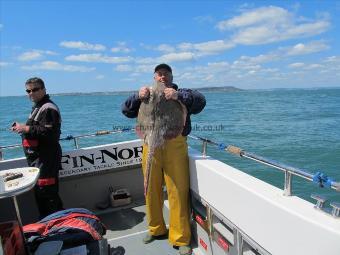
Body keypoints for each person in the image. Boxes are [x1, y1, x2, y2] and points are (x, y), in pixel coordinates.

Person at [121, 64, 206, 255]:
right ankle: (156, 229)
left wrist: (178, 96)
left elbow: (200, 101)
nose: (162, 77)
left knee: (177, 190)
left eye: (166, 74)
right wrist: (137, 96)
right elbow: (126, 111)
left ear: (171, 77)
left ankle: (180, 237)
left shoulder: (181, 92)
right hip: (150, 142)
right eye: (159, 74)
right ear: (154, 77)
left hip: (174, 144)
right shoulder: (146, 94)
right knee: (150, 188)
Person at [11, 77, 63, 219]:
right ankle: (50, 227)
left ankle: (57, 228)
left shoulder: (48, 108)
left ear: (44, 90)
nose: (31, 93)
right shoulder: (38, 107)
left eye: (35, 89)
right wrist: (21, 127)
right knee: (43, 197)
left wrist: (26, 128)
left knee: (48, 199)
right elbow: (37, 128)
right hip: (38, 161)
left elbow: (51, 134)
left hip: (46, 161)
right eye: (28, 91)